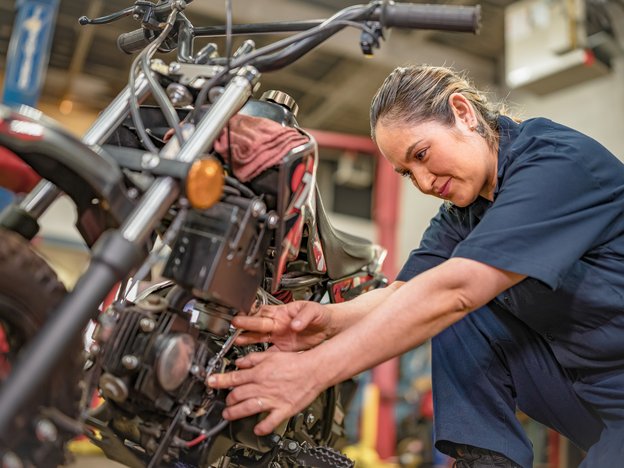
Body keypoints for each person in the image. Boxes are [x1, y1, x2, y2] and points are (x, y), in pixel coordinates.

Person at [206, 65, 624, 467]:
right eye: (408, 173)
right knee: (440, 300)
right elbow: (405, 292)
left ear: (462, 114)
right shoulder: (465, 212)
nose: (424, 183)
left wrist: (311, 373)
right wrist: (326, 321)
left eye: (422, 155)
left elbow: (456, 291)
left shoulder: (556, 163)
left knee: (452, 296)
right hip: (581, 393)